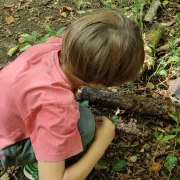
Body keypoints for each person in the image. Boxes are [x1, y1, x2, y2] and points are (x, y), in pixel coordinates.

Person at [0, 10, 145, 180]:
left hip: (9, 117)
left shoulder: (53, 48)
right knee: (84, 125)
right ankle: (34, 169)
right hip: (6, 144)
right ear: (99, 82)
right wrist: (102, 143)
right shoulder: (56, 107)